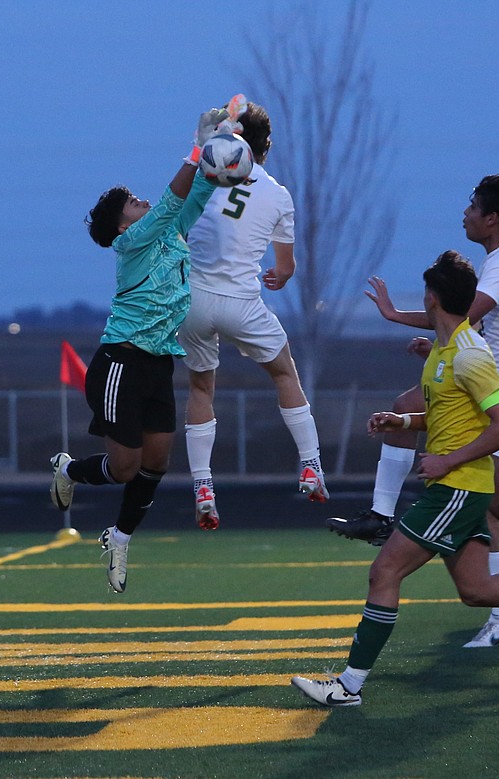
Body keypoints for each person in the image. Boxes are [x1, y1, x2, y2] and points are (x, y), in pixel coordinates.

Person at [292, 250, 499, 708]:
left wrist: (447, 461)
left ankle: (348, 686)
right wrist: (404, 423)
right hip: (458, 487)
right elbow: (449, 418)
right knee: (478, 591)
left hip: (459, 488)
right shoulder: (444, 353)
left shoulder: (470, 355)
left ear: (432, 298)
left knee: (385, 570)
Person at [327, 175, 499, 648]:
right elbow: (465, 320)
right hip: (496, 375)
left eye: (472, 206)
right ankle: (381, 514)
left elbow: (463, 310)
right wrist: (436, 340)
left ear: (492, 218)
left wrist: (404, 320)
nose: (465, 213)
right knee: (407, 410)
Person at [49, 103, 230, 594]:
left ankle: (120, 536)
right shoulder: (131, 244)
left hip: (157, 365)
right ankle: (68, 469)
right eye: (130, 201)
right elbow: (175, 200)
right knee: (124, 467)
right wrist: (197, 146)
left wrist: (222, 149)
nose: (140, 200)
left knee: (156, 464)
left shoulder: (169, 232)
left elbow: (197, 194)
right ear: (123, 225)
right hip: (119, 363)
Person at [177, 101, 327, 530]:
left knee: (201, 387)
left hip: (194, 300)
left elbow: (177, 212)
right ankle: (311, 465)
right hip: (242, 302)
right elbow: (285, 268)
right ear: (267, 146)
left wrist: (200, 144)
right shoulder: (278, 194)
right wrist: (277, 277)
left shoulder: (204, 175)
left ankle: (203, 486)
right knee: (284, 375)